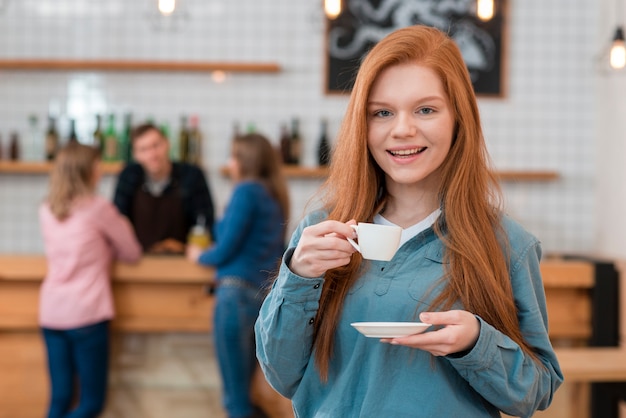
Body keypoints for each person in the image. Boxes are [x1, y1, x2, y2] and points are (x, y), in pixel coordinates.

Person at [255, 25, 563, 417]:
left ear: (458, 119)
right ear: (362, 127)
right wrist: (298, 275)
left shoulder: (508, 244)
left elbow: (536, 392)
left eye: (426, 110)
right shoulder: (322, 230)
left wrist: (476, 342)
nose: (402, 129)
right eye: (382, 112)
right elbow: (280, 374)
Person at [187, 133, 290, 418]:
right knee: (245, 393)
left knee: (235, 400)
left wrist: (199, 256)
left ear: (246, 161)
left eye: (233, 157)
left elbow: (225, 248)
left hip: (233, 296)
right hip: (259, 298)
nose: (229, 163)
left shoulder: (246, 191)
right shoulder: (274, 194)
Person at [39, 143, 142, 418]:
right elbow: (132, 252)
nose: (102, 170)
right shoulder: (99, 208)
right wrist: (122, 231)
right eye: (98, 165)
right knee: (90, 403)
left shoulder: (47, 209)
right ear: (87, 171)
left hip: (51, 313)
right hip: (86, 314)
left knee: (59, 399)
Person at [113, 122, 215, 254]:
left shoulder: (192, 175)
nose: (152, 154)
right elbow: (118, 219)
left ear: (167, 143)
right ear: (135, 154)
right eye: (144, 149)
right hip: (139, 261)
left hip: (182, 261)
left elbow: (204, 220)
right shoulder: (128, 176)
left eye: (156, 145)